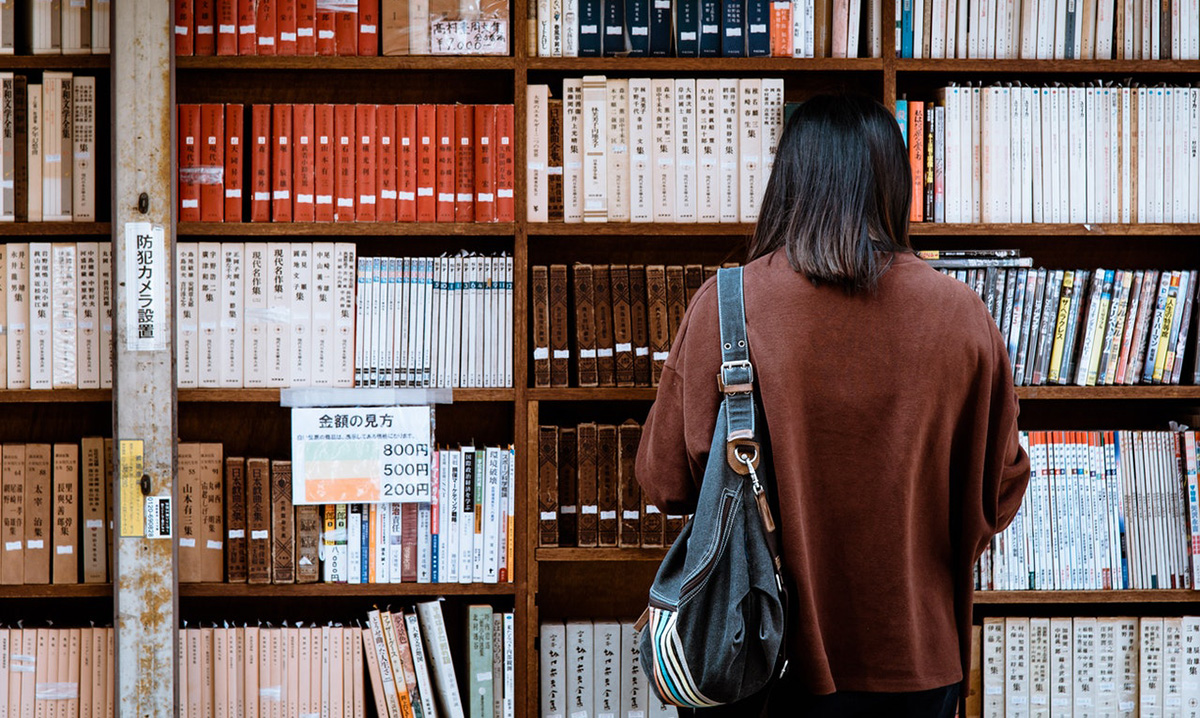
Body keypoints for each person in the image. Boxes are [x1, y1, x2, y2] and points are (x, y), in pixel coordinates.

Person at [634, 93, 1031, 717]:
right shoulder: (962, 317)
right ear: (895, 186)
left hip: (756, 656)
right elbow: (1001, 491)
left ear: (788, 181)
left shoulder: (726, 304)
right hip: (918, 662)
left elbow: (664, 483)